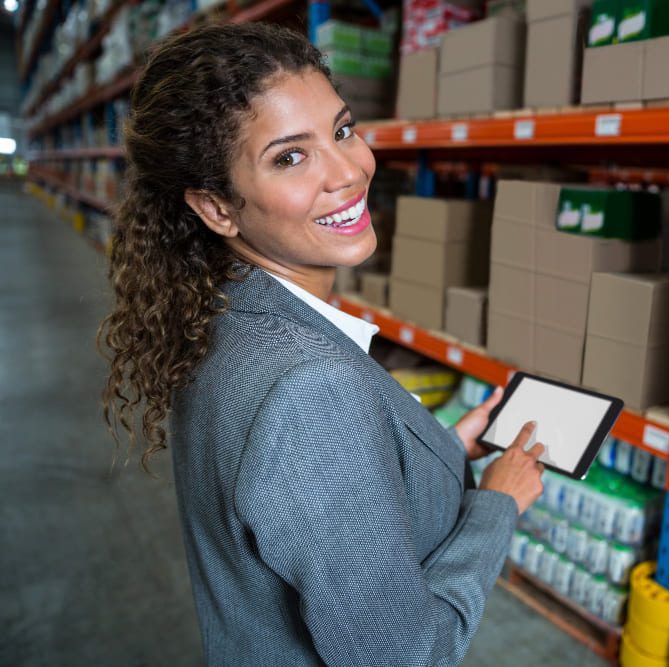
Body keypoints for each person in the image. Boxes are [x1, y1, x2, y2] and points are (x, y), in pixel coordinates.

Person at [99, 22, 545, 666]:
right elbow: (397, 657)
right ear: (217, 208)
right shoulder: (311, 387)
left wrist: (441, 449)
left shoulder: (220, 317)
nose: (349, 171)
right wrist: (495, 505)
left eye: (341, 131)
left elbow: (300, 508)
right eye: (289, 156)